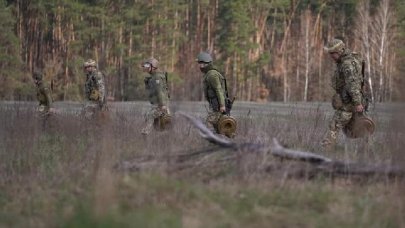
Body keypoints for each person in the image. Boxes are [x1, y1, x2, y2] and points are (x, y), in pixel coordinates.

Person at [321, 38, 366, 149]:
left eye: (333, 53)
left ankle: (326, 150)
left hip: (349, 103)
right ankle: (368, 149)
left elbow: (353, 85)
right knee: (354, 127)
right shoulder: (345, 61)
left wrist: (357, 103)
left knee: (334, 126)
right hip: (349, 101)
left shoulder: (347, 64)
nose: (331, 56)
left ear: (340, 51)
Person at [196, 52, 233, 135]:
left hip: (218, 104)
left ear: (206, 64)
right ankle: (218, 139)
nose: (199, 66)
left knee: (208, 124)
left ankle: (213, 139)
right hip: (216, 104)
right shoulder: (209, 74)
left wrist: (222, 105)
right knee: (218, 125)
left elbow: (218, 89)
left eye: (201, 64)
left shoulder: (211, 75)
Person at [141, 57, 170, 135]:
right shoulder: (153, 77)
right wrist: (147, 83)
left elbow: (159, 91)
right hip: (158, 104)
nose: (146, 67)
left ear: (153, 67)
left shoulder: (157, 77)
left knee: (150, 116)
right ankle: (160, 139)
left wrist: (163, 105)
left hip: (160, 104)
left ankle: (145, 133)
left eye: (148, 65)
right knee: (158, 124)